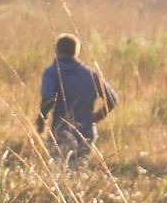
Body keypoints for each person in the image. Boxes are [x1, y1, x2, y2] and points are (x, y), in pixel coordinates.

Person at [37, 33, 118, 164]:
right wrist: (95, 118)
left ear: (56, 50)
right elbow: (112, 100)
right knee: (78, 170)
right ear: (76, 52)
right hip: (87, 134)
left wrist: (41, 121)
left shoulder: (52, 72)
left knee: (59, 171)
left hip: (61, 132)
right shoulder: (91, 74)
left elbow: (48, 99)